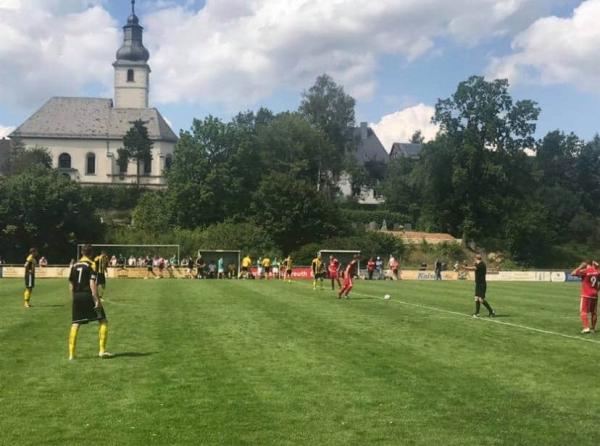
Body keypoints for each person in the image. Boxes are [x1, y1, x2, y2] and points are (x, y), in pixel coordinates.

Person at [68, 244, 112, 360]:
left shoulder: (74, 265)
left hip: (77, 296)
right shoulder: (91, 264)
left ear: (82, 252)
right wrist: (96, 300)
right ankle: (102, 351)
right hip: (88, 295)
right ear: (91, 253)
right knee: (103, 320)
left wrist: (74, 298)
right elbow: (92, 283)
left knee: (75, 323)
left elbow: (71, 284)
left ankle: (72, 355)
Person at [571, 260, 600, 334]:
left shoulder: (585, 271)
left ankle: (586, 328)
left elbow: (573, 273)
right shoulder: (597, 271)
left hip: (586, 294)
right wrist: (598, 289)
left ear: (587, 264)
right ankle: (593, 328)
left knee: (583, 312)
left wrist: (580, 266)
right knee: (594, 312)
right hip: (595, 294)